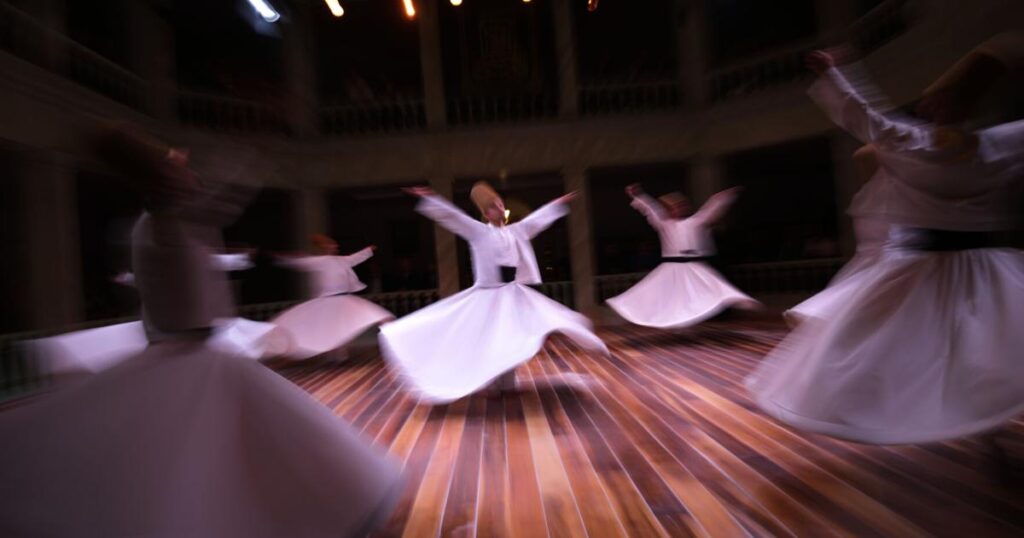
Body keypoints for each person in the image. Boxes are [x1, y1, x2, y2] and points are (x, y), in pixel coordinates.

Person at [0, 124, 403, 537]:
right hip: (187, 356)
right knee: (202, 465)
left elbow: (201, 241)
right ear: (166, 183)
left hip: (186, 352)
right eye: (182, 174)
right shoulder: (168, 223)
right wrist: (253, 148)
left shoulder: (156, 225)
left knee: (211, 460)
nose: (192, 178)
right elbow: (222, 200)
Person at [747, 39, 1024, 446]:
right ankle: (970, 410)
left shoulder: (919, 144)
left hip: (938, 265)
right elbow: (870, 119)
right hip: (981, 264)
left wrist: (836, 74)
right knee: (968, 343)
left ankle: (965, 410)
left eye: (937, 100)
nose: (930, 106)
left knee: (917, 344)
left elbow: (867, 116)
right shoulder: (1000, 144)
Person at [379, 182, 608, 402]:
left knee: (510, 339)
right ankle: (490, 386)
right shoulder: (479, 232)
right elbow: (453, 218)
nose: (499, 208)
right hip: (488, 295)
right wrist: (430, 199)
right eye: (493, 206)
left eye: (500, 204)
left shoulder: (516, 231)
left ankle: (508, 384)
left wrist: (556, 204)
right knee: (490, 341)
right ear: (486, 214)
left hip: (511, 294)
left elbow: (536, 221)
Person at [606, 184, 759, 328]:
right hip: (672, 267)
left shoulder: (695, 221)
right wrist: (638, 195)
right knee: (661, 296)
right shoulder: (664, 223)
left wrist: (725, 196)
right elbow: (651, 209)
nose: (678, 209)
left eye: (681, 206)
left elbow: (711, 209)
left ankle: (736, 300)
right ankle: (649, 315)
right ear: (668, 210)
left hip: (694, 266)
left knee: (716, 286)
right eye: (675, 207)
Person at [784, 144, 891, 325]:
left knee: (875, 276)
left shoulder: (866, 191)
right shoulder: (879, 174)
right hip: (885, 229)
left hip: (875, 227)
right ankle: (824, 310)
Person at [271, 234, 394, 361]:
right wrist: (285, 258)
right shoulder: (320, 261)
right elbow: (301, 262)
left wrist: (368, 250)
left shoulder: (342, 260)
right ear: (324, 247)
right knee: (332, 328)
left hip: (344, 299)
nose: (334, 246)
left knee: (377, 315)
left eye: (334, 244)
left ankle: (392, 339)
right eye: (330, 244)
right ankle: (336, 354)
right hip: (329, 300)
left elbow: (356, 258)